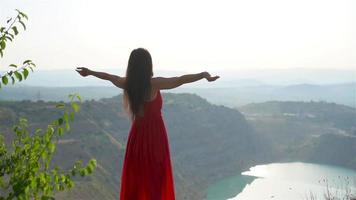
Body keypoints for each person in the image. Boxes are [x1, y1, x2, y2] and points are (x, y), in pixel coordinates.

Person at [76, 48, 219, 200]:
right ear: (148, 65)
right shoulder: (154, 84)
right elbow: (180, 79)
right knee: (156, 177)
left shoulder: (128, 84)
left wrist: (90, 72)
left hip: (137, 137)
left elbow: (109, 77)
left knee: (138, 177)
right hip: (156, 137)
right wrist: (203, 75)